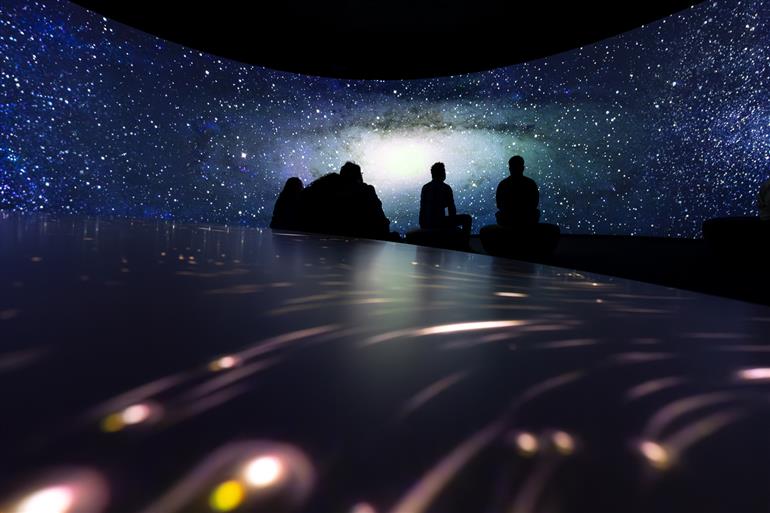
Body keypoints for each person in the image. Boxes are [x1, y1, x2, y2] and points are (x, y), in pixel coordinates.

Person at [419, 162, 472, 237]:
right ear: (441, 173)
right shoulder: (446, 188)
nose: (445, 174)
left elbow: (422, 208)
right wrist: (453, 226)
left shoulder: (425, 187)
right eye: (444, 171)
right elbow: (451, 209)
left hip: (428, 222)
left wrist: (422, 225)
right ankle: (464, 242)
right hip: (440, 222)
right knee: (467, 218)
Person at [496, 155, 540, 226]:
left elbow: (499, 205)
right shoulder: (530, 183)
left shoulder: (503, 184)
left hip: (508, 220)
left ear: (510, 168)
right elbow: (535, 203)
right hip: (527, 219)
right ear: (523, 168)